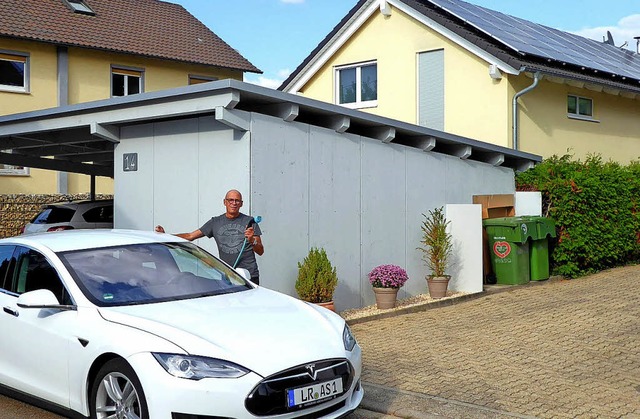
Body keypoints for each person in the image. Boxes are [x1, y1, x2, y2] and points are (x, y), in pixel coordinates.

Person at [155, 190, 264, 284]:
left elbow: (260, 251)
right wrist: (166, 236)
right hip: (227, 274)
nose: (234, 203)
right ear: (224, 202)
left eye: (237, 201)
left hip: (248, 275)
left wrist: (252, 240)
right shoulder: (215, 222)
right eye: (230, 200)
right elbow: (190, 236)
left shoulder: (250, 222)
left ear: (241, 204)